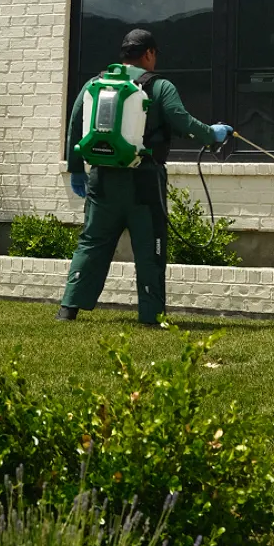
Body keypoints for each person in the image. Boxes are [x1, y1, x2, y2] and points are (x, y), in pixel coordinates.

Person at [57, 28, 232, 326]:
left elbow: (76, 125)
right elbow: (182, 120)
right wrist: (212, 134)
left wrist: (76, 170)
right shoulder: (160, 86)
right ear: (149, 54)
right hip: (144, 181)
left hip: (102, 180)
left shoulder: (95, 84)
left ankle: (69, 308)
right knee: (150, 247)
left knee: (92, 242)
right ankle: (151, 315)